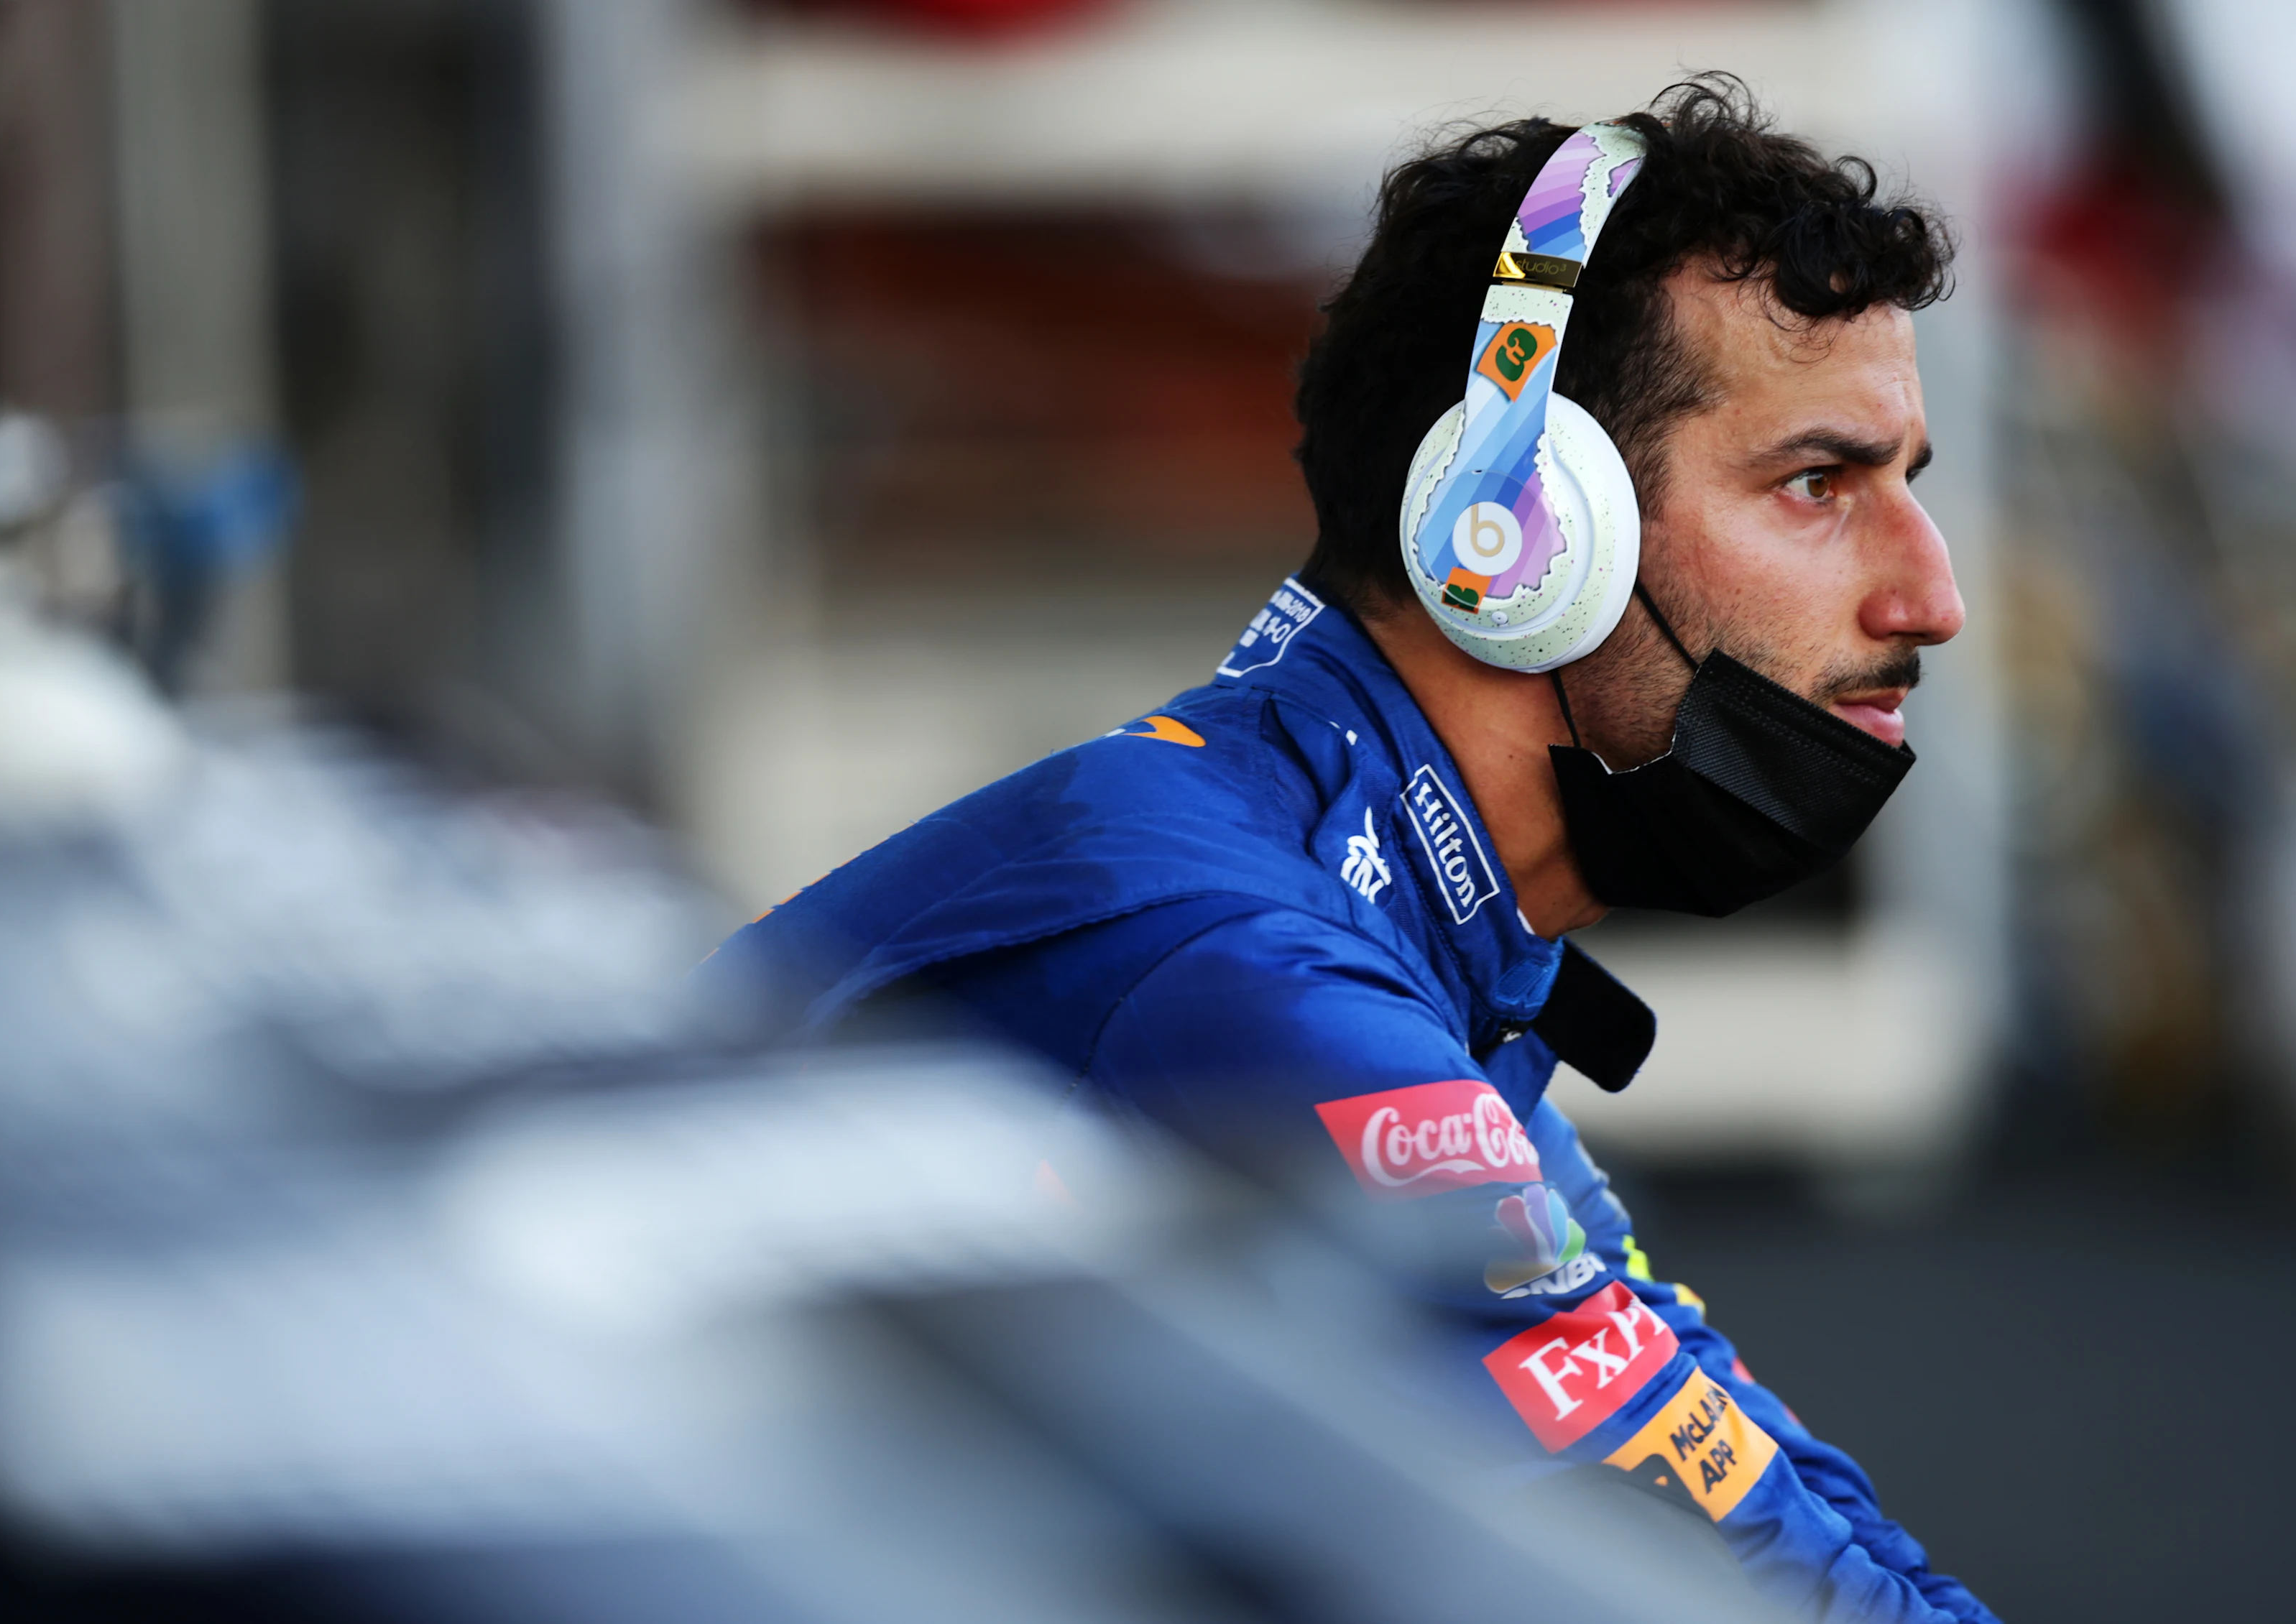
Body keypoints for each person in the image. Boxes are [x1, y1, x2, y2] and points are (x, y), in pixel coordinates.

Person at [709, 78, 1996, 1623]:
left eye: (1904, 489)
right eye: (1816, 485)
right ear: (1519, 529)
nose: (1930, 598)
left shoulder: (1382, 916)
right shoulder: (1247, 967)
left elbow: (1787, 1511)